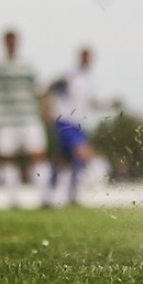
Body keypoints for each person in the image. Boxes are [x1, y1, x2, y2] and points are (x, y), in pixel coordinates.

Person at [0, 29, 48, 208]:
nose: (11, 44)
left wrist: (47, 110)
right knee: (8, 158)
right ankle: (13, 200)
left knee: (37, 155)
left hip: (29, 118)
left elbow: (39, 90)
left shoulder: (28, 66)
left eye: (14, 41)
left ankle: (44, 198)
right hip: (6, 119)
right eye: (8, 41)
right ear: (4, 43)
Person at [45, 45, 99, 206]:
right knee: (82, 152)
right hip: (65, 120)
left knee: (64, 159)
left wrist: (109, 104)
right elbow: (48, 88)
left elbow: (91, 103)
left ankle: (52, 193)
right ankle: (71, 194)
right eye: (85, 56)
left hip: (80, 123)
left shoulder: (89, 79)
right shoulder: (70, 74)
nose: (87, 60)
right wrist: (46, 110)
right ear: (80, 57)